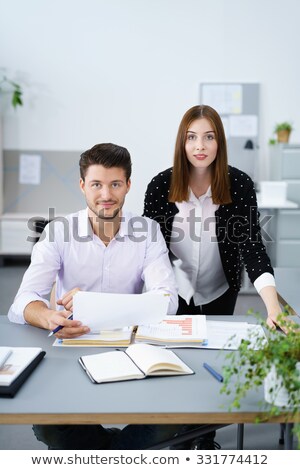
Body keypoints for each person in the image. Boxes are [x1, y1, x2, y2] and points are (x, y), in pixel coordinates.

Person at [8, 143, 181, 450]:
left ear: (128, 185)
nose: (106, 195)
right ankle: (117, 453)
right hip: (70, 349)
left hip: (130, 349)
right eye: (97, 184)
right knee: (50, 428)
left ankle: (102, 455)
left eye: (115, 184)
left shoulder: (148, 232)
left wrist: (93, 301)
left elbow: (166, 299)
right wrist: (49, 316)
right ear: (82, 185)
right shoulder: (59, 231)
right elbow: (23, 301)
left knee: (171, 417)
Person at [143, 105, 283, 449]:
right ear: (182, 142)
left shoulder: (239, 185)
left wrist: (273, 307)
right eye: (191, 137)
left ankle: (204, 436)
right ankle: (176, 433)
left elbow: (252, 247)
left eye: (209, 136)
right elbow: (149, 251)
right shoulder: (161, 185)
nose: (200, 145)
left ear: (219, 142)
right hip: (173, 290)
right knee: (174, 358)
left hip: (221, 287)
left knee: (211, 360)